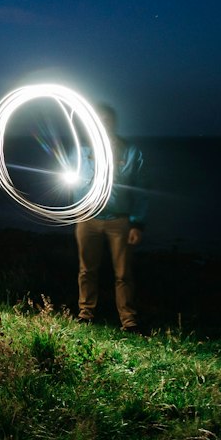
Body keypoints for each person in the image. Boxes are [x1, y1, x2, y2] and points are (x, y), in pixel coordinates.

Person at [74, 103, 147, 331]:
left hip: (119, 220)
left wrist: (137, 223)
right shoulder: (82, 151)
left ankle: (128, 319)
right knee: (87, 269)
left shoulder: (131, 152)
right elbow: (70, 178)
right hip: (88, 219)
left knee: (123, 272)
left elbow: (141, 189)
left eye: (107, 121)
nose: (103, 125)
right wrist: (77, 207)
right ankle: (86, 313)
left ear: (114, 123)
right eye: (99, 120)